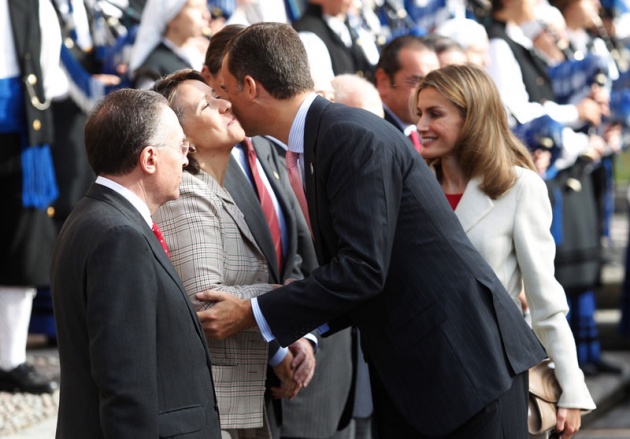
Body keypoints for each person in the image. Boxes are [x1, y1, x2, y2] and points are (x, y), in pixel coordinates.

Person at [197, 22, 547, 438]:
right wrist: (288, 313)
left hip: (465, 370)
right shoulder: (323, 138)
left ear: (251, 87)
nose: (223, 104)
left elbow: (362, 269)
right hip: (421, 375)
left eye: (224, 90)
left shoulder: (348, 136)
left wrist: (252, 313)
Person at [413, 63, 596, 439]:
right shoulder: (411, 184)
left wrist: (571, 386)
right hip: (418, 375)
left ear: (473, 116)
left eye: (435, 114)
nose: (421, 125)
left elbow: (546, 298)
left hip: (494, 374)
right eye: (418, 113)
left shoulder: (520, 187)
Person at [203, 26, 355, 439]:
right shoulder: (201, 167)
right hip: (249, 374)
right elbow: (215, 287)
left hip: (308, 360)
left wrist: (303, 336)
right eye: (224, 89)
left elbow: (304, 252)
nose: (233, 103)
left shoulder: (272, 148)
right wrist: (278, 351)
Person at [50, 88, 221, 438]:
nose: (186, 160)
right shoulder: (119, 236)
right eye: (181, 147)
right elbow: (124, 384)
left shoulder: (94, 216)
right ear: (149, 159)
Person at [0, 0, 61, 395]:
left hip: (21, 140)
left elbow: (49, 73)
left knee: (22, 251)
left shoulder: (34, 6)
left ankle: (10, 360)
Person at [374, 35, 440, 152]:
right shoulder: (375, 139)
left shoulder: (427, 134)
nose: (430, 93)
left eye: (435, 83)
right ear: (383, 81)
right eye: (417, 81)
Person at [129, 0, 210, 89]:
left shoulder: (199, 53)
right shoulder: (154, 68)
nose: (206, 15)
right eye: (197, 7)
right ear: (173, 18)